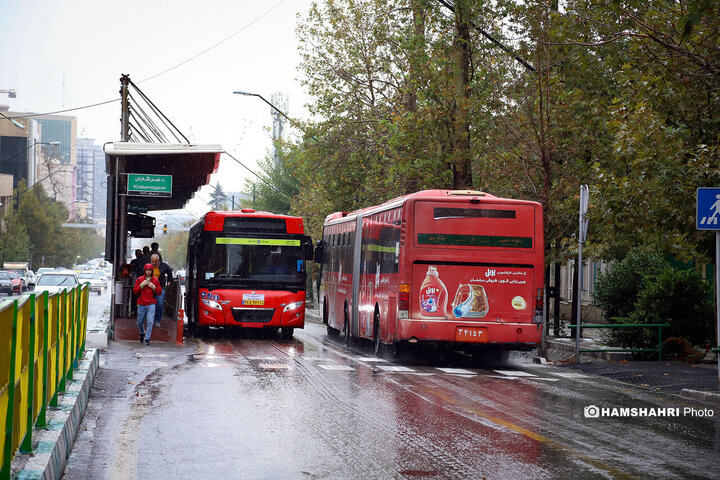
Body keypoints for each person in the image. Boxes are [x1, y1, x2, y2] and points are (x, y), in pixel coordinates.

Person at [133, 263, 161, 345]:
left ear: (152, 271)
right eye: (147, 270)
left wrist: (154, 287)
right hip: (142, 303)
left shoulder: (155, 281)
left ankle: (147, 338)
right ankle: (142, 333)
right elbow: (135, 291)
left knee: (150, 321)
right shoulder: (139, 279)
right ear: (145, 271)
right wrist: (141, 285)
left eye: (150, 270)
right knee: (139, 322)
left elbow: (159, 292)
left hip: (151, 303)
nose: (148, 272)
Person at [150, 253, 173, 328]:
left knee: (159, 304)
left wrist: (169, 281)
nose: (153, 263)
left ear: (158, 261)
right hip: (149, 288)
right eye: (152, 261)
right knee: (149, 304)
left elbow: (169, 272)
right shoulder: (148, 266)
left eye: (155, 262)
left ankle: (157, 320)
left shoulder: (164, 266)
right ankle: (150, 319)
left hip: (160, 287)